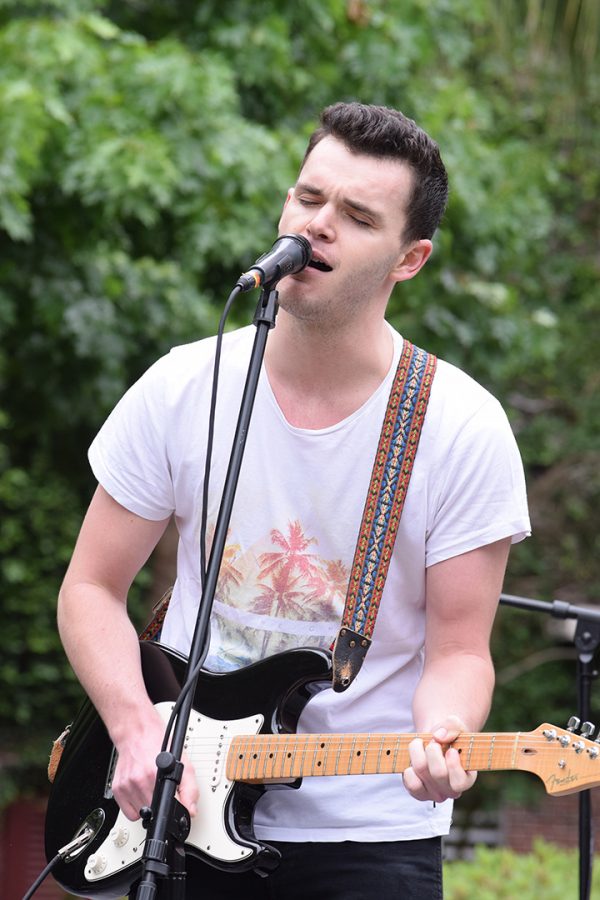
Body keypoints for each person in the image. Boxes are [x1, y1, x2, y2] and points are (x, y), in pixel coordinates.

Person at [57, 102, 530, 899]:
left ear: (408, 259)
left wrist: (443, 736)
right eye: (309, 199)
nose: (319, 225)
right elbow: (91, 588)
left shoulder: (460, 427)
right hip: (178, 810)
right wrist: (135, 726)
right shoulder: (186, 384)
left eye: (355, 215)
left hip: (370, 833)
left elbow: (458, 651)